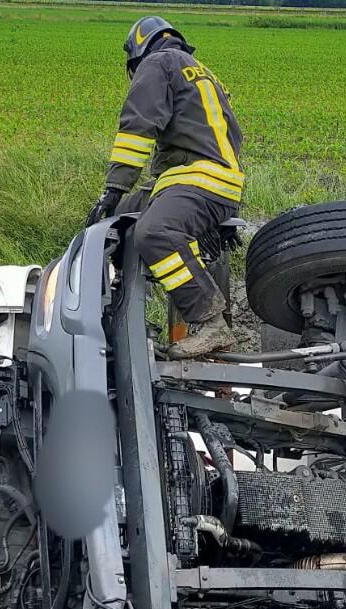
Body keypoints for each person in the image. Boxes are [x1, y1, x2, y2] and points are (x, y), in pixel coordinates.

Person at [86, 16, 245, 359]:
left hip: (196, 179)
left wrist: (114, 187)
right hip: (215, 182)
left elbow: (137, 127)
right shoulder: (203, 73)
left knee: (153, 232)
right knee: (117, 218)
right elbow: (225, 140)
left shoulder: (156, 63)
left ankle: (212, 324)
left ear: (137, 54)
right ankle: (122, 307)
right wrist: (227, 208)